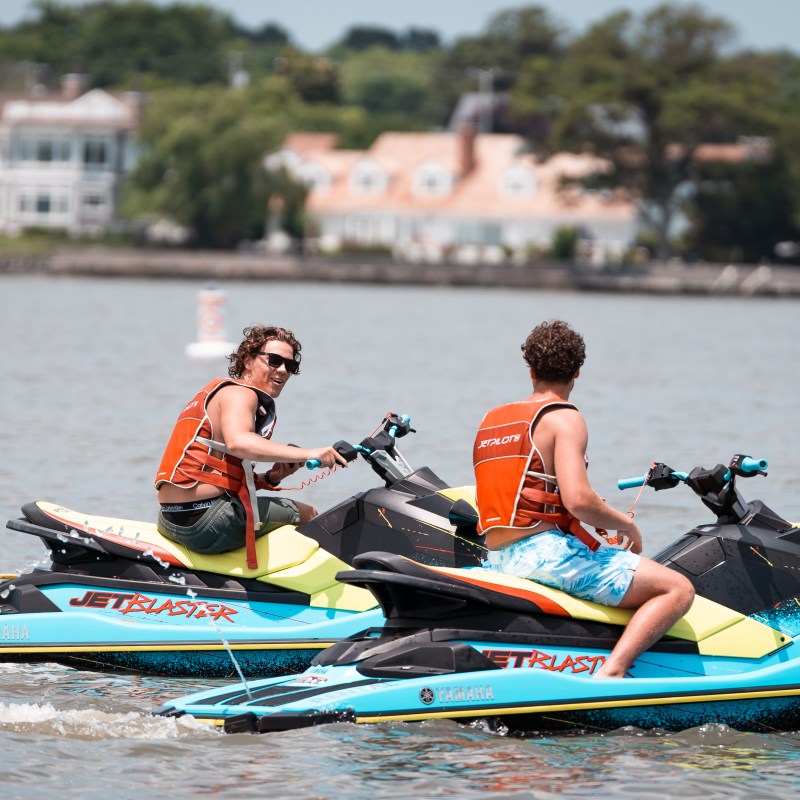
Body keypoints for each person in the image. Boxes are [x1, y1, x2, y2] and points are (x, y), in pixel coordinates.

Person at [472, 319, 694, 678]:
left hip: (497, 557)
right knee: (677, 588)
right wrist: (627, 525)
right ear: (577, 372)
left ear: (530, 370)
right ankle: (613, 672)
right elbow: (578, 500)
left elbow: (522, 494)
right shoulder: (564, 417)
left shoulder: (492, 420)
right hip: (543, 556)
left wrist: (582, 515)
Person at [155, 324, 347, 568]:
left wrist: (272, 477)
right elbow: (239, 442)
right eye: (274, 360)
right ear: (247, 360)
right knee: (309, 513)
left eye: (290, 365)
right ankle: (320, 585)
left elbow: (216, 472)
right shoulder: (242, 394)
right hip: (206, 522)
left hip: (170, 520)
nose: (283, 370)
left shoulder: (217, 393)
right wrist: (311, 453)